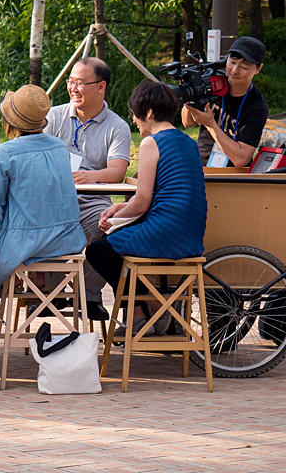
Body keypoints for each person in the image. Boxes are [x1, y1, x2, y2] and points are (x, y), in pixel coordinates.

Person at [86, 81, 207, 332]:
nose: (134, 122)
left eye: (134, 115)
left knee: (98, 252)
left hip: (166, 229)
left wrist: (115, 211)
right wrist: (119, 210)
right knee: (113, 242)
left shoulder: (151, 143)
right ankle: (142, 314)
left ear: (149, 113)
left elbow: (142, 202)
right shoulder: (189, 142)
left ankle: (157, 305)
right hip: (191, 229)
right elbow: (152, 196)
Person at [43, 57, 133, 319]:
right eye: (71, 82)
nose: (73, 88)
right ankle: (53, 290)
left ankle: (88, 294)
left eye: (80, 83)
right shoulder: (53, 116)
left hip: (93, 200)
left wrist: (91, 177)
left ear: (101, 86)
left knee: (109, 231)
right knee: (37, 226)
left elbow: (118, 171)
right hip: (53, 198)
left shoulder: (117, 126)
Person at [0, 84, 87, 296]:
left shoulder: (6, 151)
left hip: (24, 243)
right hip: (67, 241)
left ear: (9, 121)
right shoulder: (59, 147)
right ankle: (23, 287)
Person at [182, 36, 269, 169]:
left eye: (244, 67)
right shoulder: (212, 83)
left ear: (258, 69)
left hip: (233, 176)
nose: (235, 70)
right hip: (202, 168)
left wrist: (211, 124)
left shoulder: (257, 106)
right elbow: (187, 122)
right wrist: (191, 95)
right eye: (232, 62)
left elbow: (241, 159)